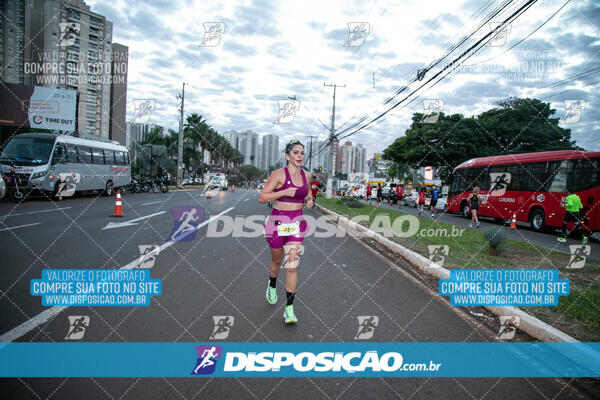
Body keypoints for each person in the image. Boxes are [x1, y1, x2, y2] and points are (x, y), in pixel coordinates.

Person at [259, 140, 312, 324]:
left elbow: (308, 195)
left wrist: (309, 201)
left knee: (292, 266)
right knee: (276, 260)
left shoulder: (308, 175)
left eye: (302, 153)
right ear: (287, 155)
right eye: (296, 152)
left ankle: (289, 309)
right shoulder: (278, 175)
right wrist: (283, 192)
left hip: (296, 223)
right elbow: (262, 197)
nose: (300, 156)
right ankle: (272, 284)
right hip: (277, 223)